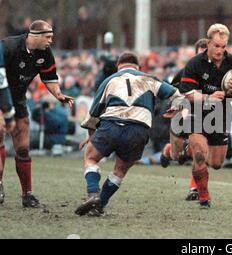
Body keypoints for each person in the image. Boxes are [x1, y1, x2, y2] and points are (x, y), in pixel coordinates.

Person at [75, 52, 185, 216]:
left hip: (111, 125)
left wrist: (91, 137)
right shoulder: (148, 78)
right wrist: (176, 107)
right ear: (137, 66)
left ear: (118, 66)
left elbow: (93, 115)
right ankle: (99, 205)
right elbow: (176, 95)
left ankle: (93, 194)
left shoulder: (109, 80)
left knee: (90, 158)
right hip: (138, 130)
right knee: (119, 171)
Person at [178, 24, 232, 209]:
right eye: (217, 46)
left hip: (221, 113)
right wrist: (207, 97)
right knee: (200, 154)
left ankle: (188, 148)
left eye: (224, 46)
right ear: (208, 43)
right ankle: (204, 197)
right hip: (197, 111)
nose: (220, 50)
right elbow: (186, 93)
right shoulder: (195, 63)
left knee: (217, 163)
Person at [0, 20, 74, 207]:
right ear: (35, 36)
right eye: (48, 37)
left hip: (18, 100)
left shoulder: (45, 53)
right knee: (0, 133)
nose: (50, 41)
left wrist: (58, 94)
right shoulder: (8, 46)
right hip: (1, 96)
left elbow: (49, 77)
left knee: (23, 148)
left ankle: (27, 195)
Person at [160, 38, 208, 201]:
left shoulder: (217, 73)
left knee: (200, 152)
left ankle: (194, 188)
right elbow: (172, 93)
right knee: (177, 154)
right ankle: (168, 151)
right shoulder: (185, 71)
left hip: (207, 117)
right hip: (185, 115)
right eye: (201, 52)